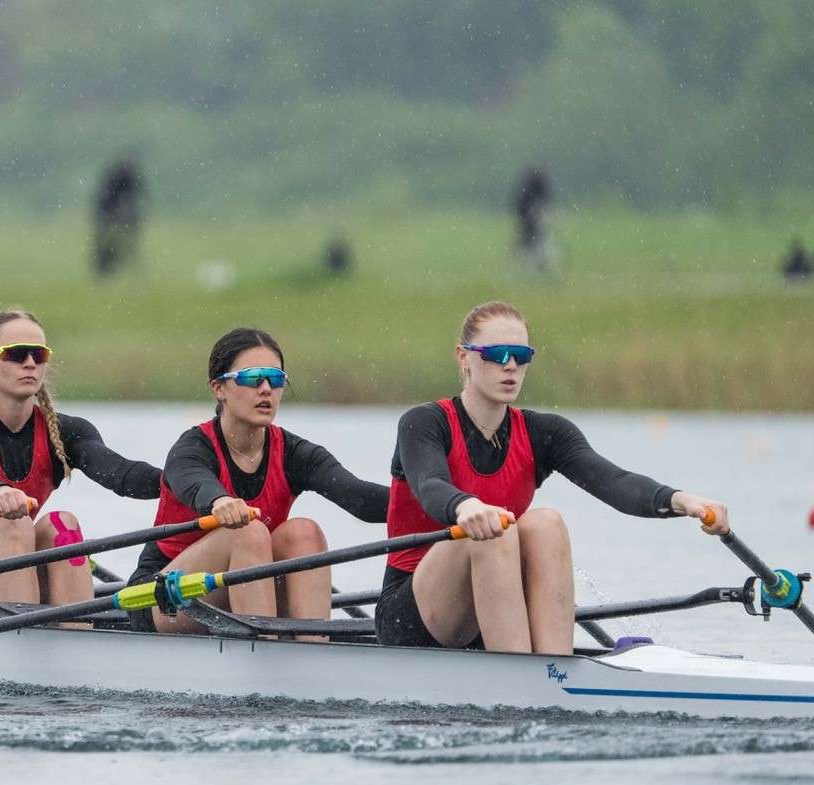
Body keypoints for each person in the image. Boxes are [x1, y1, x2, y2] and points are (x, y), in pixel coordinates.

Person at [376, 301, 730, 654]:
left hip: (494, 606)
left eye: (521, 355)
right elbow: (429, 486)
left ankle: (553, 668)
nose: (510, 365)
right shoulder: (423, 423)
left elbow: (614, 481)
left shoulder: (545, 433)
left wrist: (684, 501)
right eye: (497, 353)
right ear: (463, 357)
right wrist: (464, 505)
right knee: (496, 529)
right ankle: (522, 678)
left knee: (546, 523)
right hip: (412, 615)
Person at [127, 328, 388, 642]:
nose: (266, 389)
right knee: (248, 531)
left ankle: (313, 651)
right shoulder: (191, 449)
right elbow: (194, 483)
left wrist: (448, 503)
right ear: (219, 388)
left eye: (275, 379)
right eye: (252, 378)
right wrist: (219, 501)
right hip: (164, 596)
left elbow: (360, 498)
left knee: (303, 531)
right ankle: (265, 654)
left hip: (243, 590)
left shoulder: (296, 454)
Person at [0, 308, 161, 622]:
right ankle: (25, 645)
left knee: (62, 523)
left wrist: (181, 483)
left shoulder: (68, 431)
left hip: (12, 573)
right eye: (16, 354)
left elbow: (120, 473)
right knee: (14, 524)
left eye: (39, 355)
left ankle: (76, 639)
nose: (30, 363)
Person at [93, 155, 145, 277]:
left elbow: (137, 195)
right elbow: (106, 198)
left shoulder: (128, 177)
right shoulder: (116, 177)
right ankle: (106, 265)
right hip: (107, 207)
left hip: (112, 209)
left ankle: (118, 260)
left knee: (113, 240)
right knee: (106, 240)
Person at [512, 166, 555, 273]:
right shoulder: (529, 187)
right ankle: (530, 264)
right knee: (529, 241)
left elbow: (546, 199)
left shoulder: (536, 186)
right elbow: (522, 204)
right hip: (526, 217)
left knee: (534, 240)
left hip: (532, 216)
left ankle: (536, 263)